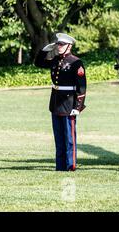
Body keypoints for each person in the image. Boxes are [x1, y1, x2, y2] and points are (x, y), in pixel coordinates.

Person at [34, 33, 86, 171]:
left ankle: (70, 166)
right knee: (58, 138)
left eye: (62, 44)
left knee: (69, 139)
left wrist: (78, 107)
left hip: (69, 104)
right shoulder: (56, 60)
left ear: (69, 46)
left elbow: (81, 87)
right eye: (58, 44)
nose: (59, 47)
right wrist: (44, 50)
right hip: (55, 103)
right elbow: (38, 63)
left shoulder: (76, 62)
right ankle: (60, 167)